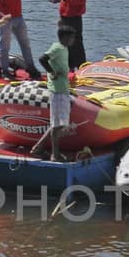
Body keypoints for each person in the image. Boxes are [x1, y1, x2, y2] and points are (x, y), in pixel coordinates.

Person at [30, 25, 74, 162]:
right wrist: (52, 72)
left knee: (58, 123)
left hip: (63, 89)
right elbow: (42, 59)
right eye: (72, 37)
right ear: (65, 38)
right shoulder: (57, 48)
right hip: (57, 91)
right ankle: (54, 155)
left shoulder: (64, 48)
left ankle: (38, 148)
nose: (74, 40)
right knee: (57, 124)